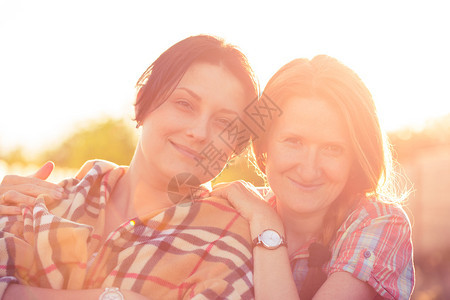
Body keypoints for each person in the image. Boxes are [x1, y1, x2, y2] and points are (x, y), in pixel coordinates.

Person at [0, 35, 259, 299]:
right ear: (142, 101)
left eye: (225, 123)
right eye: (185, 104)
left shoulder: (227, 243)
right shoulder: (39, 202)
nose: (200, 132)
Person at [211, 55, 414, 299]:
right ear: (264, 145)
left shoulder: (380, 222)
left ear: (355, 159)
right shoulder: (236, 213)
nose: (309, 170)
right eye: (294, 141)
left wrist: (267, 226)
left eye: (332, 149)